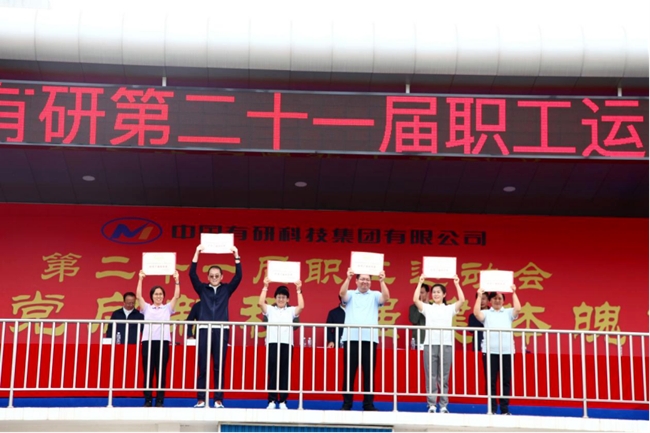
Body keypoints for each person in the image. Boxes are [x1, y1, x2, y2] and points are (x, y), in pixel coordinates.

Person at [189, 244, 241, 409]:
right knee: (203, 365)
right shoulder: (202, 289)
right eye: (211, 276)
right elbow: (192, 274)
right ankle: (201, 399)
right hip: (204, 330)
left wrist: (236, 256)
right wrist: (197, 253)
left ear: (221, 276)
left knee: (219, 365)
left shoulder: (226, 289)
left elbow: (238, 276)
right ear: (208, 277)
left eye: (217, 276)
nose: (214, 278)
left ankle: (218, 400)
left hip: (221, 330)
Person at [412, 274, 465, 414]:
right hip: (430, 344)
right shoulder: (428, 308)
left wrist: (457, 283)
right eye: (434, 292)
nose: (435, 294)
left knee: (444, 376)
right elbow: (415, 300)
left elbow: (462, 300)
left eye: (438, 292)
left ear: (444, 295)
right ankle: (431, 404)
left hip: (446, 344)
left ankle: (443, 405)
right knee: (431, 375)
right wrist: (420, 282)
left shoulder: (449, 308)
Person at [339, 268, 390, 411]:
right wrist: (347, 278)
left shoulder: (375, 295)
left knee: (369, 373)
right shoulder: (351, 294)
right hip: (351, 338)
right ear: (356, 281)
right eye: (362, 279)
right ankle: (347, 403)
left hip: (369, 339)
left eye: (367, 279)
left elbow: (386, 297)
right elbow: (342, 294)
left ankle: (368, 404)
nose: (365, 282)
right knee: (349, 372)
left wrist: (382, 281)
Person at [473, 286, 521, 415]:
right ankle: (492, 409)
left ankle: (505, 409)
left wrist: (514, 293)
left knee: (506, 381)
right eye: (494, 298)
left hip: (507, 351)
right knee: (491, 381)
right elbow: (476, 313)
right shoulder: (487, 313)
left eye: (500, 298)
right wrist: (479, 296)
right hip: (490, 351)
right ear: (490, 301)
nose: (497, 301)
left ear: (504, 300)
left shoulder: (508, 312)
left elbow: (518, 309)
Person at [135, 270, 180, 407]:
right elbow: (138, 296)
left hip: (163, 342)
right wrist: (140, 279)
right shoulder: (147, 308)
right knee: (148, 371)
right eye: (156, 294)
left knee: (161, 371)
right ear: (152, 296)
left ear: (163, 296)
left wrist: (177, 280)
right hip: (148, 342)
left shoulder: (167, 308)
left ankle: (160, 400)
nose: (158, 296)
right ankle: (148, 400)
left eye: (160, 294)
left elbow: (176, 296)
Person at [259, 277, 304, 410]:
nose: (281, 299)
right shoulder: (270, 309)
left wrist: (298, 290)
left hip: (287, 344)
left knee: (284, 372)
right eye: (279, 297)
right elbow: (260, 303)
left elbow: (301, 306)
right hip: (273, 343)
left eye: (284, 297)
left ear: (288, 299)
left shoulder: (290, 311)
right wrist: (265, 286)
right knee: (273, 371)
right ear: (275, 298)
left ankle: (283, 400)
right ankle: (272, 400)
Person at [408, 283, 429, 347]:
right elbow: (414, 320)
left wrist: (426, 306)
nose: (420, 295)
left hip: (431, 339)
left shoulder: (433, 307)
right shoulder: (413, 307)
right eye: (418, 292)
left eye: (422, 293)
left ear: (427, 293)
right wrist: (420, 305)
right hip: (418, 339)